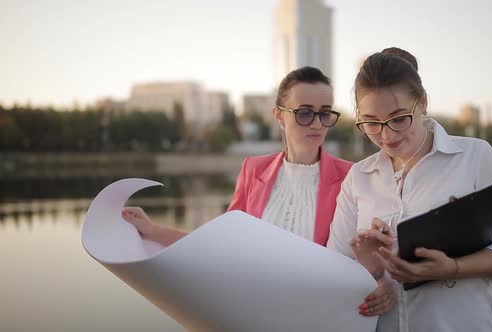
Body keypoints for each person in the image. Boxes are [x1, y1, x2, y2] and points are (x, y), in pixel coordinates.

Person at [122, 66, 394, 318]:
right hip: (255, 315)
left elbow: (367, 254)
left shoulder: (352, 177)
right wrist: (152, 230)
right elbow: (217, 246)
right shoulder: (253, 170)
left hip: (319, 317)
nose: (316, 124)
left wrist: (383, 283)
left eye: (325, 113)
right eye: (304, 112)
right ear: (278, 115)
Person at [326, 48, 492, 331]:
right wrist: (372, 275)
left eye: (399, 118)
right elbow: (334, 267)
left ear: (422, 102)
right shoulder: (358, 176)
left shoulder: (474, 156)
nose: (386, 135)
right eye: (371, 123)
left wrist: (453, 269)